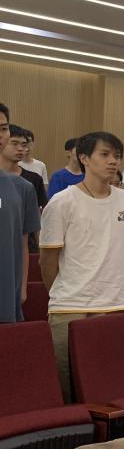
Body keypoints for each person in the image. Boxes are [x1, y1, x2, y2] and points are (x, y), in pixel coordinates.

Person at [38, 131, 124, 398]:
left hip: (116, 303)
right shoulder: (62, 202)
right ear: (84, 158)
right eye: (104, 154)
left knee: (112, 385)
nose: (113, 161)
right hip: (70, 305)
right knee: (68, 386)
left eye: (117, 156)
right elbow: (48, 260)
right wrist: (62, 291)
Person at [0, 103, 40, 324]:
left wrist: (22, 286)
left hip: (6, 292)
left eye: (3, 128)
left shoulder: (22, 187)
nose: (1, 134)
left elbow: (23, 242)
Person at [3, 126, 47, 208]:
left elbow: (37, 211)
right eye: (14, 144)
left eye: (23, 145)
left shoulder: (34, 179)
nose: (20, 149)